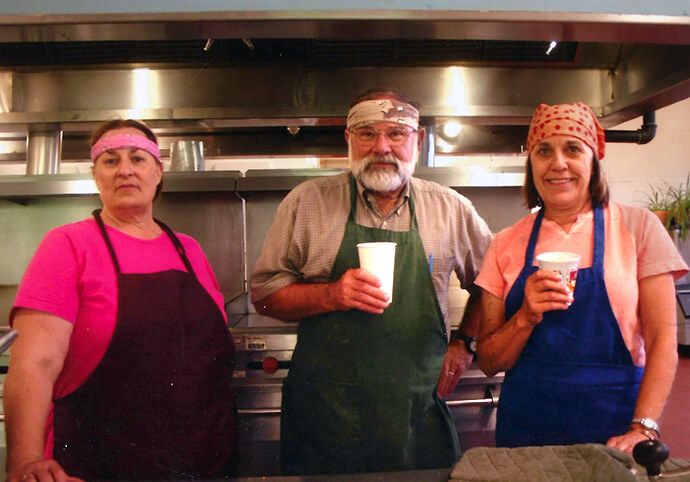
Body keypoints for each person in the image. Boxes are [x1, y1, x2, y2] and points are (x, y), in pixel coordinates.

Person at [250, 88, 493, 475]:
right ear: (348, 139)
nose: (381, 146)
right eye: (367, 133)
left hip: (416, 416)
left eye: (396, 133)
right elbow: (264, 294)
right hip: (326, 420)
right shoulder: (307, 202)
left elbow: (491, 283)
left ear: (417, 140)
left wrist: (465, 344)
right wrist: (330, 294)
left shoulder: (450, 208)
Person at [4, 120, 238, 481]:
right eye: (110, 161)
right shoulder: (68, 245)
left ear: (158, 172)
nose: (125, 169)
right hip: (98, 463)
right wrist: (25, 460)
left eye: (138, 158)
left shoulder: (188, 249)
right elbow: (33, 364)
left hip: (202, 460)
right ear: (95, 175)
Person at [475, 102, 689, 451]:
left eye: (573, 148)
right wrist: (525, 318)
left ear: (593, 160)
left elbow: (663, 341)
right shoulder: (505, 243)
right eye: (544, 151)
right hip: (527, 433)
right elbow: (487, 361)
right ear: (531, 164)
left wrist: (644, 427)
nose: (558, 163)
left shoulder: (639, 228)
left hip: (616, 428)